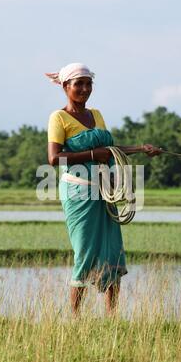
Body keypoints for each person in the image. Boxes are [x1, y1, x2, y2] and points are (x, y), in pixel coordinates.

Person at [46, 63, 161, 316]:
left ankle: (112, 317)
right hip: (78, 193)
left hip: (104, 190)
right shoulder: (59, 117)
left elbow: (110, 150)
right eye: (79, 84)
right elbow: (54, 159)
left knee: (112, 251)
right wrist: (91, 154)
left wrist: (142, 149)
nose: (85, 89)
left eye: (88, 84)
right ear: (66, 87)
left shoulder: (96, 115)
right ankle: (74, 319)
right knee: (85, 251)